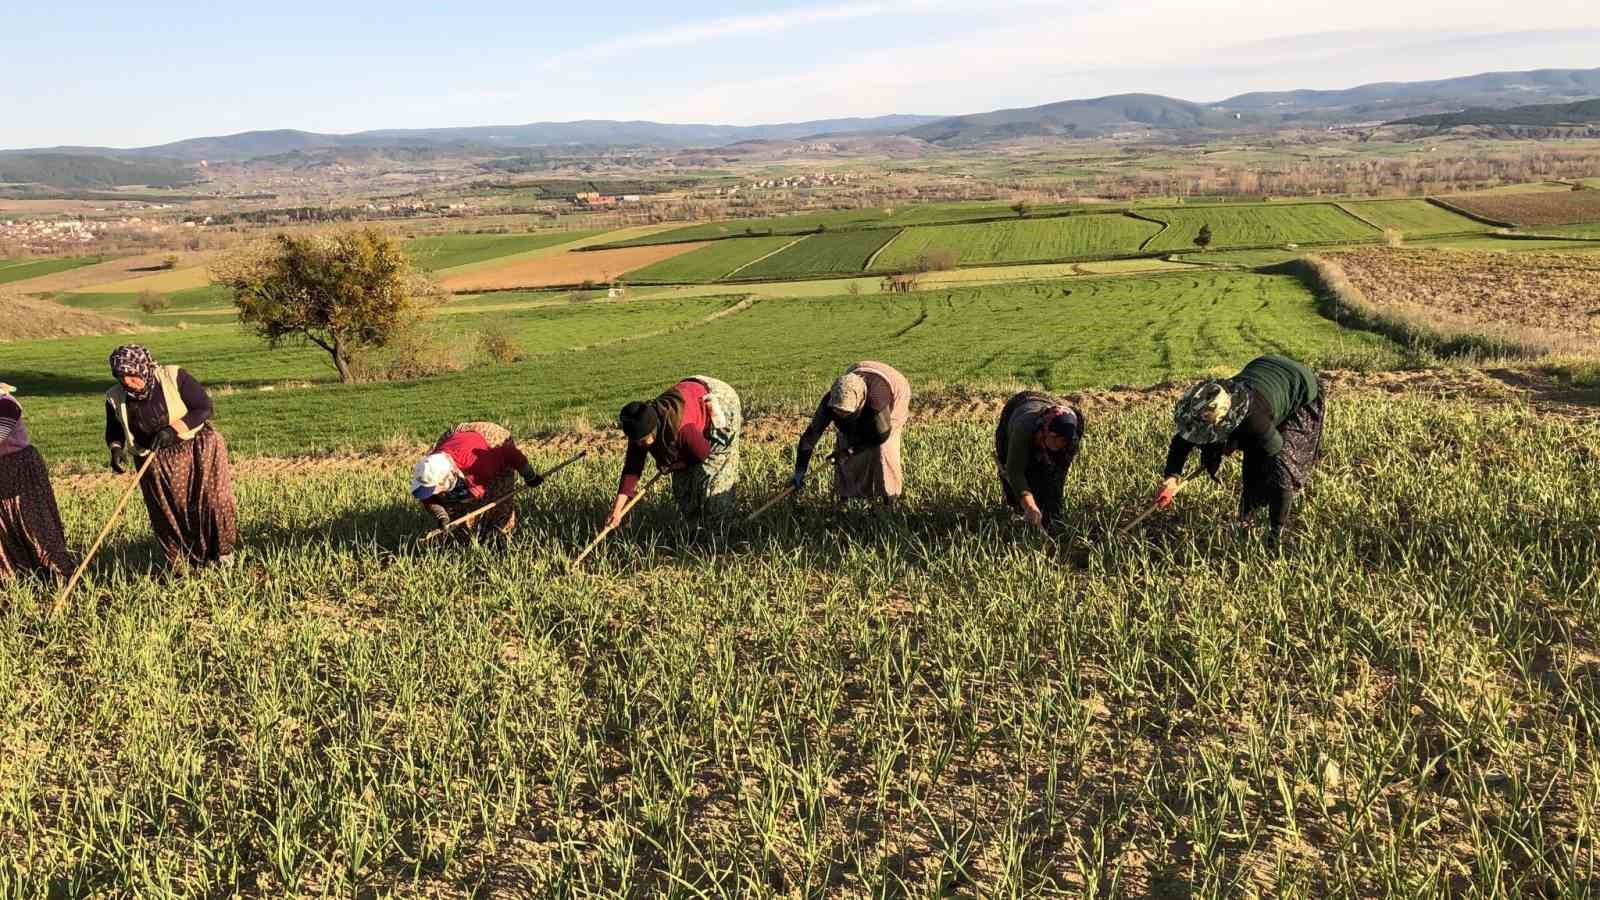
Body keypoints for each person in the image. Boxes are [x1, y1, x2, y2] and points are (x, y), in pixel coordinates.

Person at [1155, 353, 1325, 546]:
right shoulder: (1206, 406)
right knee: (1252, 456)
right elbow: (1181, 442)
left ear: (1225, 422)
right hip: (1263, 369)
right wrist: (1171, 477)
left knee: (1280, 466)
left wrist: (1275, 532)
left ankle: (1275, 533)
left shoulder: (1254, 422)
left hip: (1298, 382)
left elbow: (1280, 473)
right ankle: (1246, 521)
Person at [104, 345, 238, 568]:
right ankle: (186, 564)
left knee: (211, 501)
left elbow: (203, 407)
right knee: (172, 512)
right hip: (154, 460)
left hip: (197, 449)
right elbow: (114, 428)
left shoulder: (173, 376)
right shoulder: (114, 397)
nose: (127, 381)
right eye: (121, 376)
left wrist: (173, 430)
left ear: (143, 368)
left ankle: (222, 555)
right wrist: (116, 449)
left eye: (131, 374)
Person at [608, 376, 742, 528]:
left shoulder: (680, 428)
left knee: (714, 480)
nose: (639, 445)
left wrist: (672, 465)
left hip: (719, 401)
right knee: (683, 488)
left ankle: (726, 528)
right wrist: (617, 510)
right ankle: (697, 530)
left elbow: (702, 453)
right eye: (636, 442)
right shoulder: (638, 428)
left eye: (642, 441)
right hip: (690, 395)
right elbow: (632, 468)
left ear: (653, 430)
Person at [791, 361, 911, 505]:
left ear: (859, 403)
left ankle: (889, 499)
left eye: (844, 412)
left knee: (884, 449)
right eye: (837, 411)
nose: (840, 414)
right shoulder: (830, 402)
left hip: (895, 389)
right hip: (859, 370)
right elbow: (810, 437)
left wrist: (849, 451)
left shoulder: (877, 402)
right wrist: (800, 470)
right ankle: (849, 498)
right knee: (846, 440)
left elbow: (881, 435)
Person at [412, 422, 544, 541]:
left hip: (488, 439)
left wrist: (530, 475)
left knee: (498, 498)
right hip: (457, 438)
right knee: (456, 504)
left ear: (446, 478)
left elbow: (511, 454)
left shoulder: (483, 463)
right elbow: (426, 496)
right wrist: (441, 516)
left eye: (432, 488)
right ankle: (463, 538)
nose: (429, 492)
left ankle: (498, 538)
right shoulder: (429, 466)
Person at [0, 382, 77, 582]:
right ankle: (19, 577)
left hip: (20, 468)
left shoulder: (7, 404)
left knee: (33, 521)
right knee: (4, 526)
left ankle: (61, 575)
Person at [994, 391, 1085, 528]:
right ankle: (1019, 520)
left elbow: (1057, 476)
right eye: (1055, 439)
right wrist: (1030, 506)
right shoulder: (1023, 429)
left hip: (1045, 404)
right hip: (1017, 410)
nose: (1058, 444)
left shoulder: (1070, 441)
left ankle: (1051, 523)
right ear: (1045, 431)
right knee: (1018, 492)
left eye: (1063, 441)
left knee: (1050, 494)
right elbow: (1015, 472)